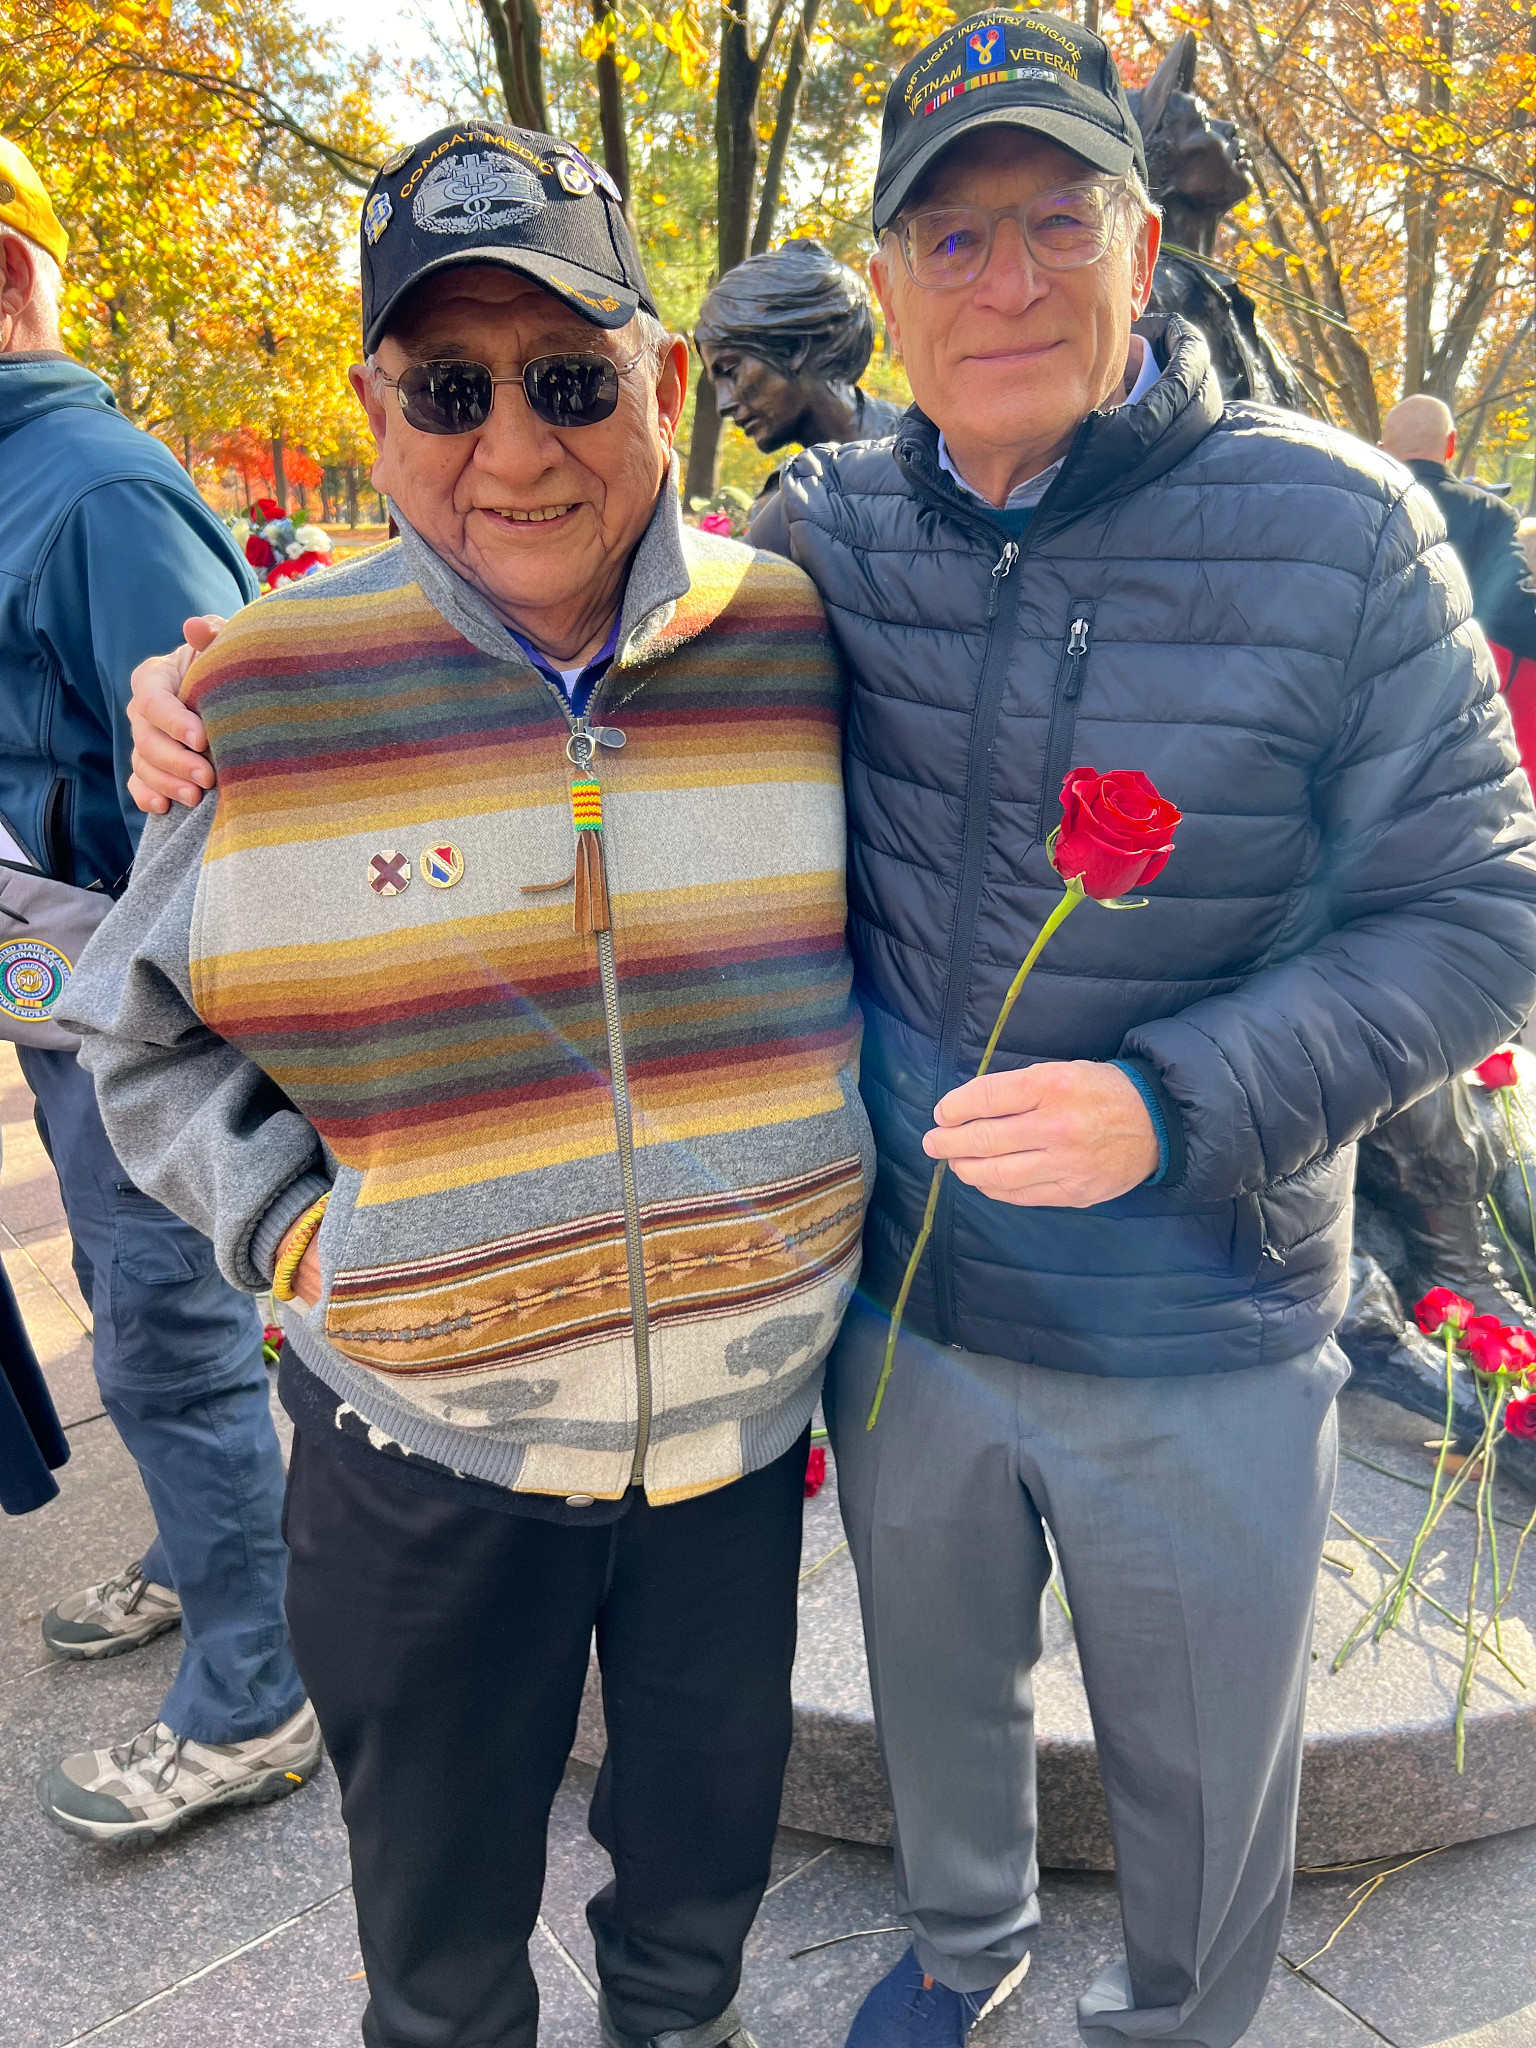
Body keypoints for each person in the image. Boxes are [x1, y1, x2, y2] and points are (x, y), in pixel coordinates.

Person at [120, 35, 1536, 2046]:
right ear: (883, 287)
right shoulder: (813, 551)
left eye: (1056, 223)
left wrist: (1177, 1103)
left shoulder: (1316, 533)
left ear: (1143, 248)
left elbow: (1483, 910)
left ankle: (1174, 2021)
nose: (1006, 279)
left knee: (1192, 1782)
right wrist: (213, 705)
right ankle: (960, 1953)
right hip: (887, 1325)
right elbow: (173, 989)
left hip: (1184, 1315)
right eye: (950, 234)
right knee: (900, 1729)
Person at [62, 119, 868, 2048]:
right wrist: (302, 1240)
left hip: (734, 1452)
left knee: (698, 1901)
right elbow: (133, 1028)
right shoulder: (265, 687)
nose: (514, 447)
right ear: (375, 408)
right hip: (414, 1450)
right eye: (449, 388)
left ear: (664, 382)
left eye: (569, 378)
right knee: (435, 1954)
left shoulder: (798, 640)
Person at [0, 134, 319, 1841]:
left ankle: (255, 1695)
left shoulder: (95, 492)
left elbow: (235, 792)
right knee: (137, 1321)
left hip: (137, 1016)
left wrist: (176, 1049)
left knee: (171, 1335)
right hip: (60, 1000)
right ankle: (205, 1556)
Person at [695, 239, 903, 478]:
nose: (723, 405)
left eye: (731, 372)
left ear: (796, 348)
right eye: (716, 384)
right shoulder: (786, 491)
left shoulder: (926, 450)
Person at [1379, 394, 1536, 665]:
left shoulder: (1354, 508)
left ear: (1380, 451)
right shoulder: (1490, 514)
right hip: (1447, 679)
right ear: (1451, 443)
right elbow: (1514, 615)